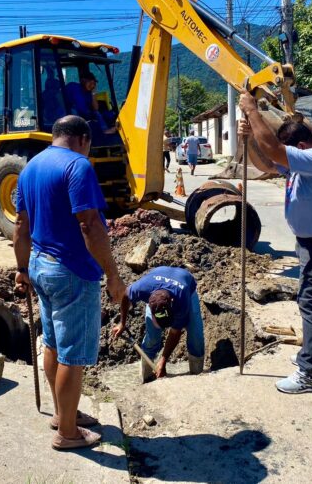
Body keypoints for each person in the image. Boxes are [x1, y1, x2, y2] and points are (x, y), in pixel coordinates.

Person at [13, 115, 125, 449]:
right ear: (82, 140)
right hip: (71, 271)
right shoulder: (78, 167)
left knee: (53, 344)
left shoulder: (30, 168)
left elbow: (21, 224)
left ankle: (64, 415)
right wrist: (114, 276)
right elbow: (89, 225)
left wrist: (21, 268)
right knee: (72, 355)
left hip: (39, 266)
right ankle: (68, 433)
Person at [238, 89, 312, 394]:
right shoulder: (307, 162)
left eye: (290, 152)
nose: (287, 159)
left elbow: (275, 152)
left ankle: (311, 372)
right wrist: (249, 137)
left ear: (302, 147)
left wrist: (252, 111)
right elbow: (266, 164)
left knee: (310, 300)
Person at [112, 266, 205, 383]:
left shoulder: (182, 300)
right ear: (150, 307)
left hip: (186, 286)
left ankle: (198, 377)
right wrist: (122, 323)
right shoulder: (142, 288)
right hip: (157, 279)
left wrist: (163, 360)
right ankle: (146, 378)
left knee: (195, 334)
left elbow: (175, 332)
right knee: (152, 337)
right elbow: (125, 295)